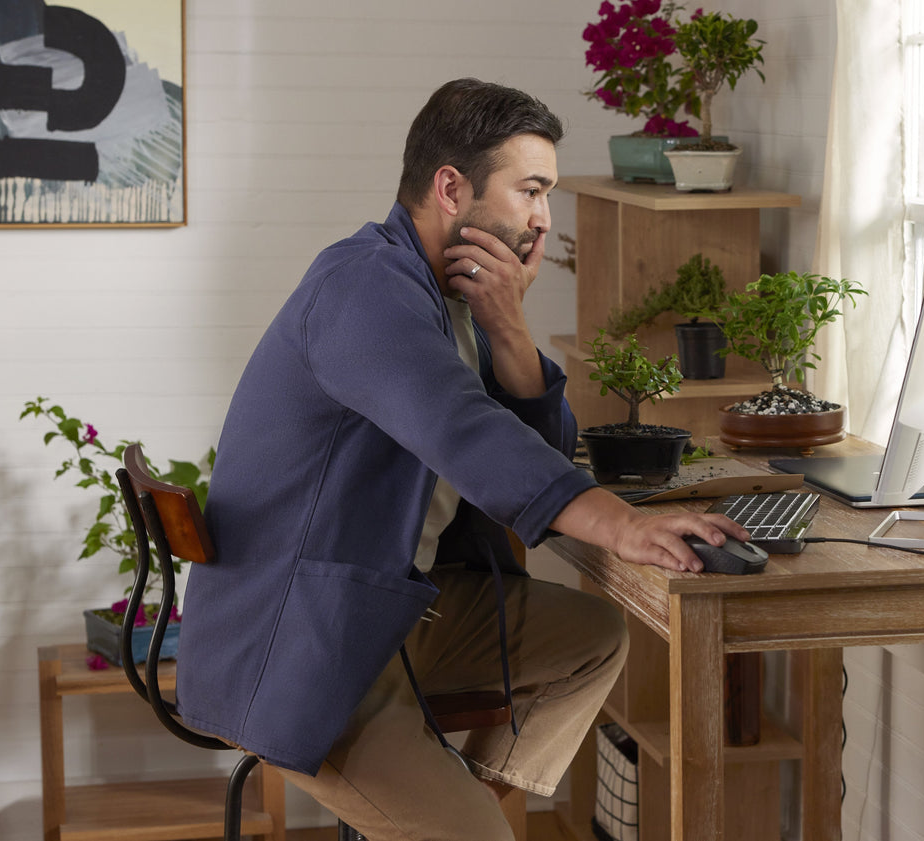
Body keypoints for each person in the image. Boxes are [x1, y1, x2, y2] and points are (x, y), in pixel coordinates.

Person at [175, 77, 746, 841]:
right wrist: (622, 526)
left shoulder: (450, 294)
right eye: (531, 190)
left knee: (592, 637)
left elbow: (539, 455)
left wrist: (509, 326)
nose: (544, 218)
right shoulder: (365, 287)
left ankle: (451, 800)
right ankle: (451, 817)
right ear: (451, 188)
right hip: (306, 643)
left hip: (387, 608)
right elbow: (468, 434)